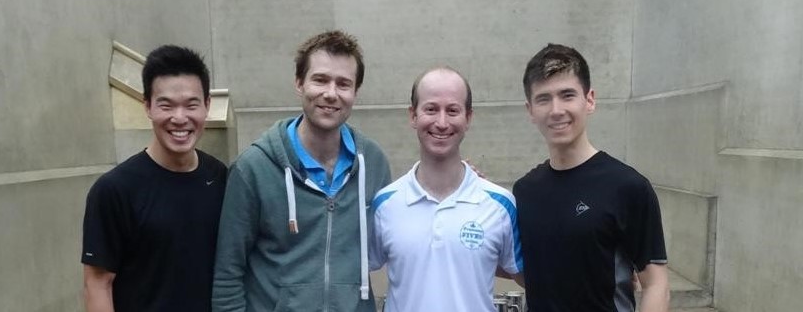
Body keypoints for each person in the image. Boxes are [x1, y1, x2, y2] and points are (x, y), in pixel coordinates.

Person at [212, 30, 391, 311]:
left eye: (343, 84)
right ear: (299, 83)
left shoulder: (374, 162)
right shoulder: (254, 168)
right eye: (320, 80)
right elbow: (227, 275)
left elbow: (403, 231)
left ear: (355, 92)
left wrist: (462, 183)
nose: (331, 94)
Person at [515, 43, 669, 312]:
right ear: (530, 110)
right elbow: (528, 270)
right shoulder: (524, 191)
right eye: (543, 98)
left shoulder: (628, 187)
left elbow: (656, 285)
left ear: (589, 100)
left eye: (567, 95)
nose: (556, 110)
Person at [81, 45, 227, 312]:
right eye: (166, 105)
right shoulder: (114, 190)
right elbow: (98, 284)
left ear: (207, 105)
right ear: (147, 106)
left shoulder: (220, 177)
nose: (180, 118)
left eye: (191, 105)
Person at [370, 68, 522, 312]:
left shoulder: (500, 205)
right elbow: (351, 275)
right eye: (431, 109)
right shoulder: (384, 204)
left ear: (468, 118)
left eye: (452, 110)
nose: (441, 123)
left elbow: (533, 278)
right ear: (413, 115)